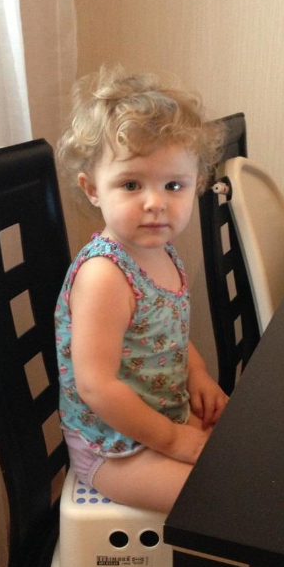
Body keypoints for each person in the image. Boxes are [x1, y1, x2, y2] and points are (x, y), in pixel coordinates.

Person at [55, 65, 228, 513]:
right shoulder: (104, 276)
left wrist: (197, 373)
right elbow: (96, 387)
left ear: (196, 185)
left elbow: (167, 333)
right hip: (113, 447)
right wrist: (172, 440)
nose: (155, 202)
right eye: (131, 184)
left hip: (161, 415)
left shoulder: (161, 251)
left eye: (174, 185)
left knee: (248, 459)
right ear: (93, 189)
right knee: (223, 503)